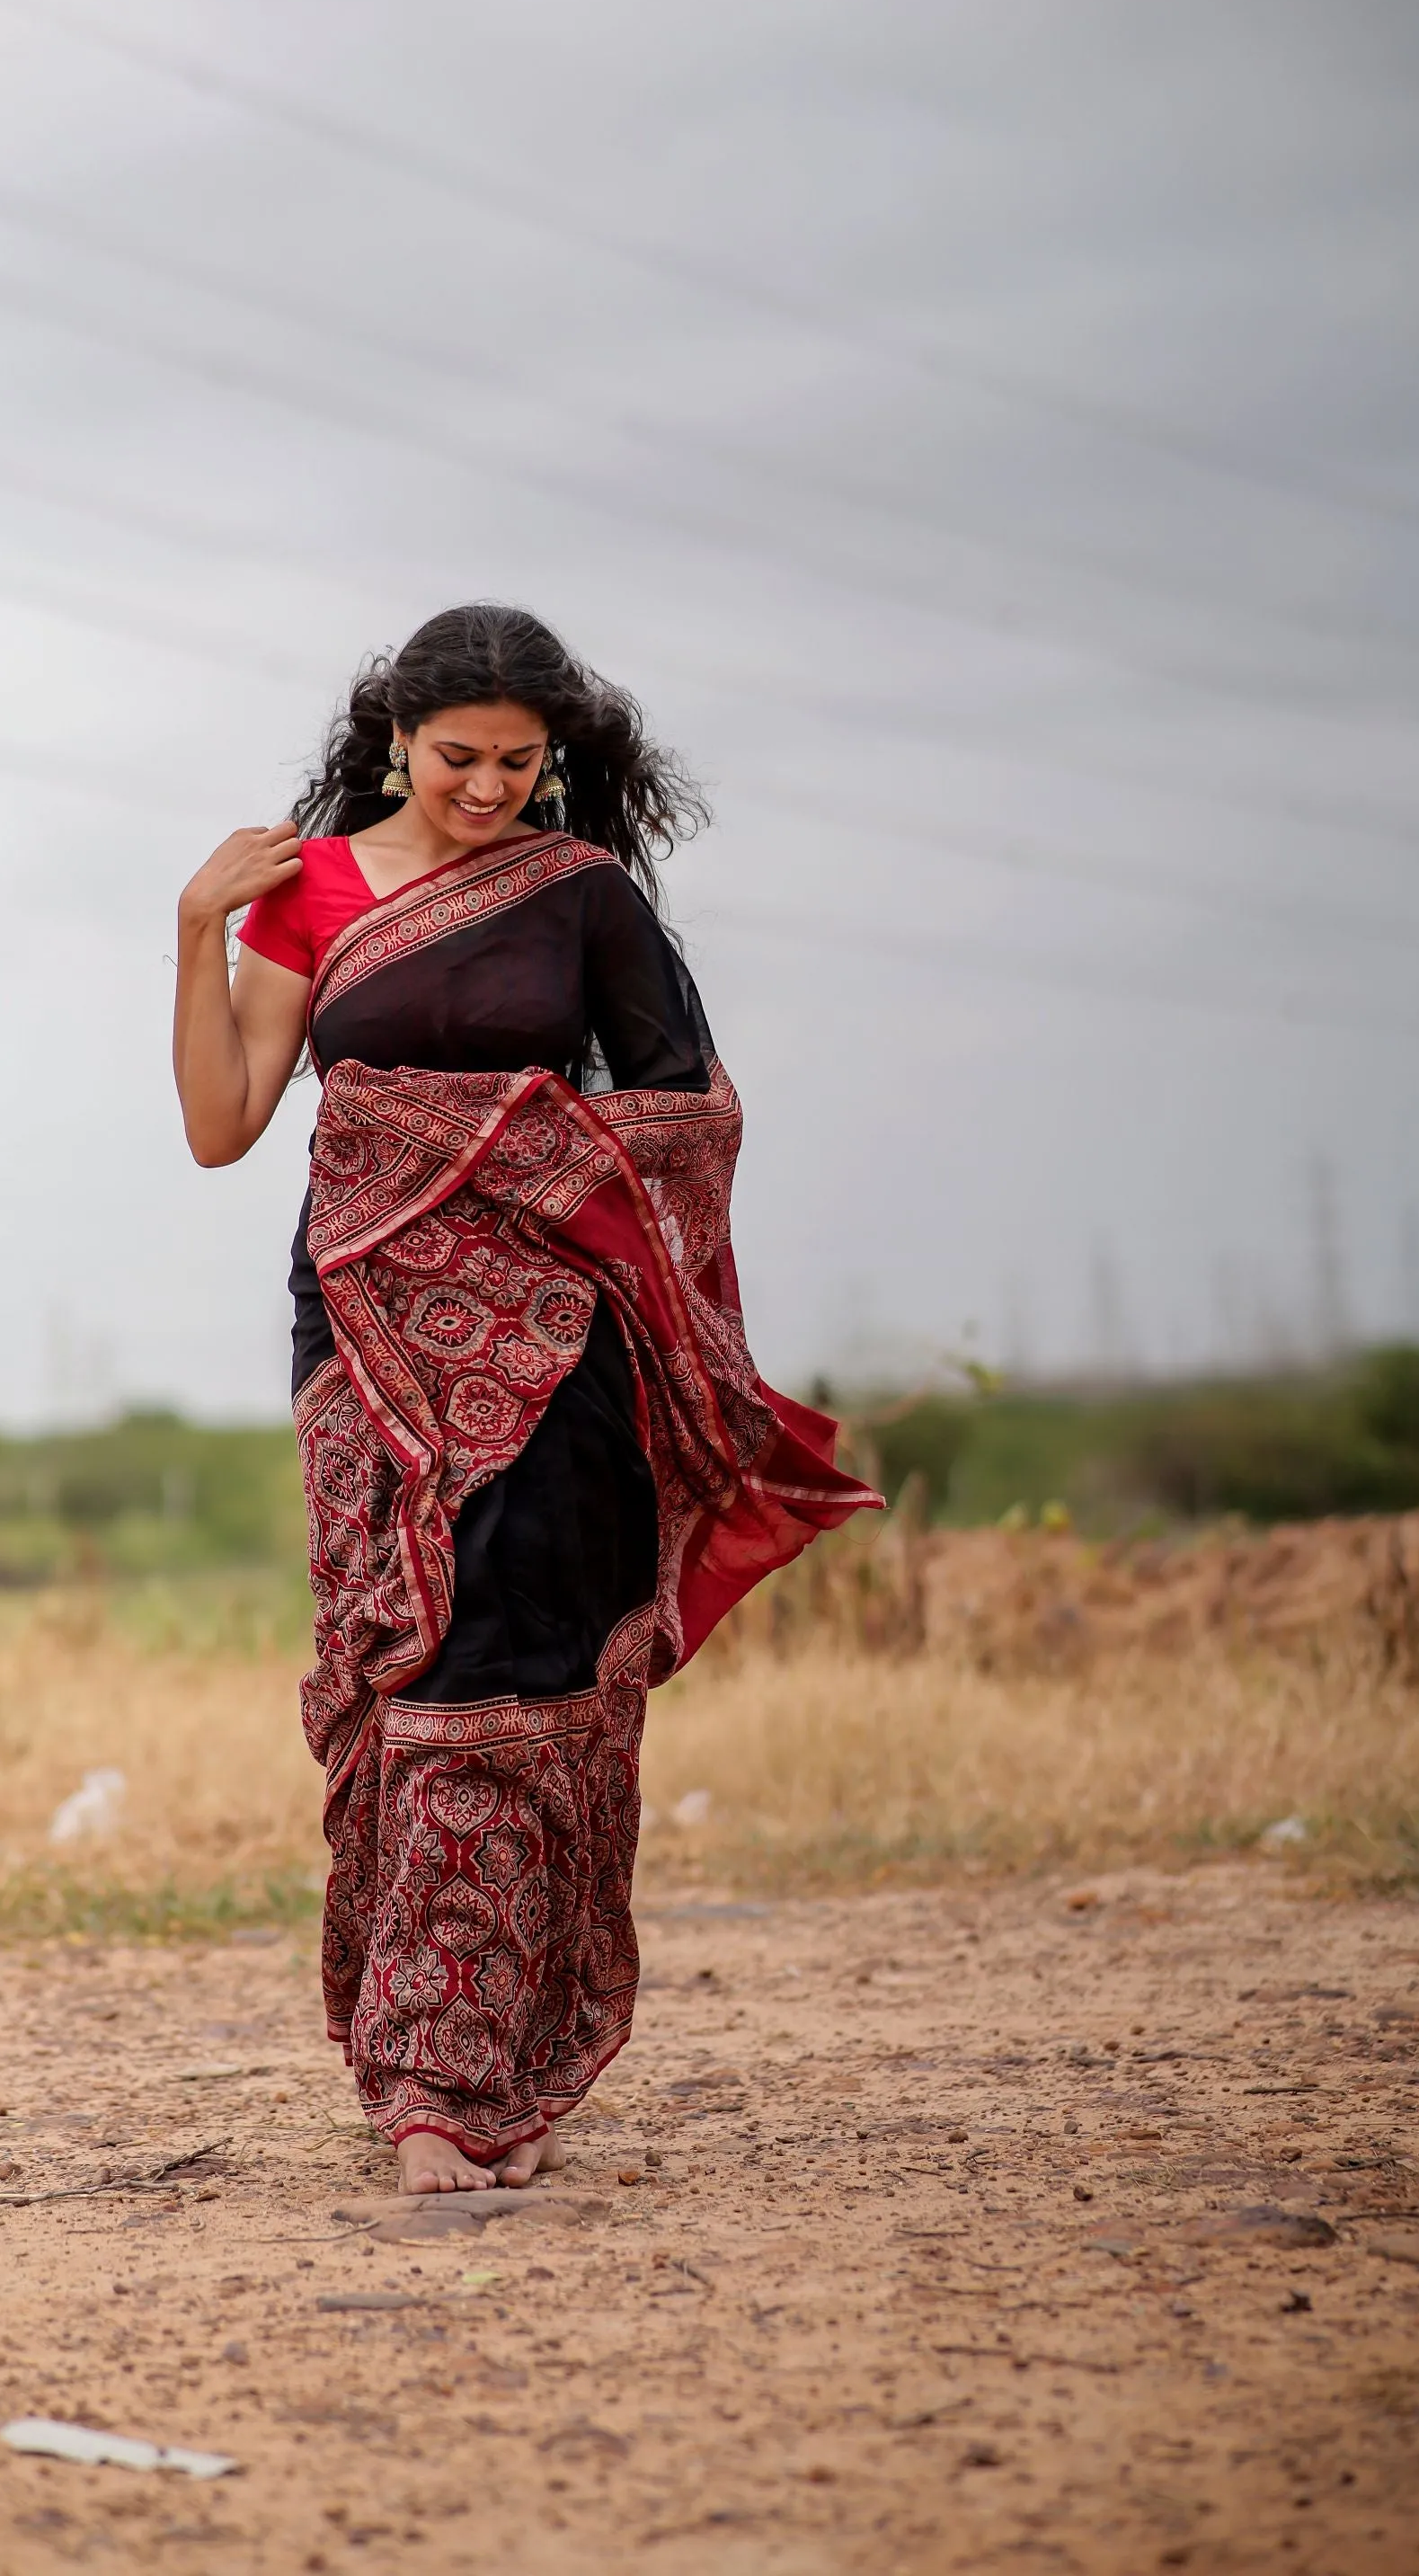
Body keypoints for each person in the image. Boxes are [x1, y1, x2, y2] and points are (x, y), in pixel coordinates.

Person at [173, 603, 876, 2194]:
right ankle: (432, 2063)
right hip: (365, 1324)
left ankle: (475, 2076)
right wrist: (194, 929)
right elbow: (224, 1126)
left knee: (533, 1660)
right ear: (394, 739)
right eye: (458, 758)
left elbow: (689, 1118)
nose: (489, 788)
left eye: (520, 762)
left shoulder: (583, 898)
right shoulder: (313, 888)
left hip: (566, 1332)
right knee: (404, 1655)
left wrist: (529, 1160)